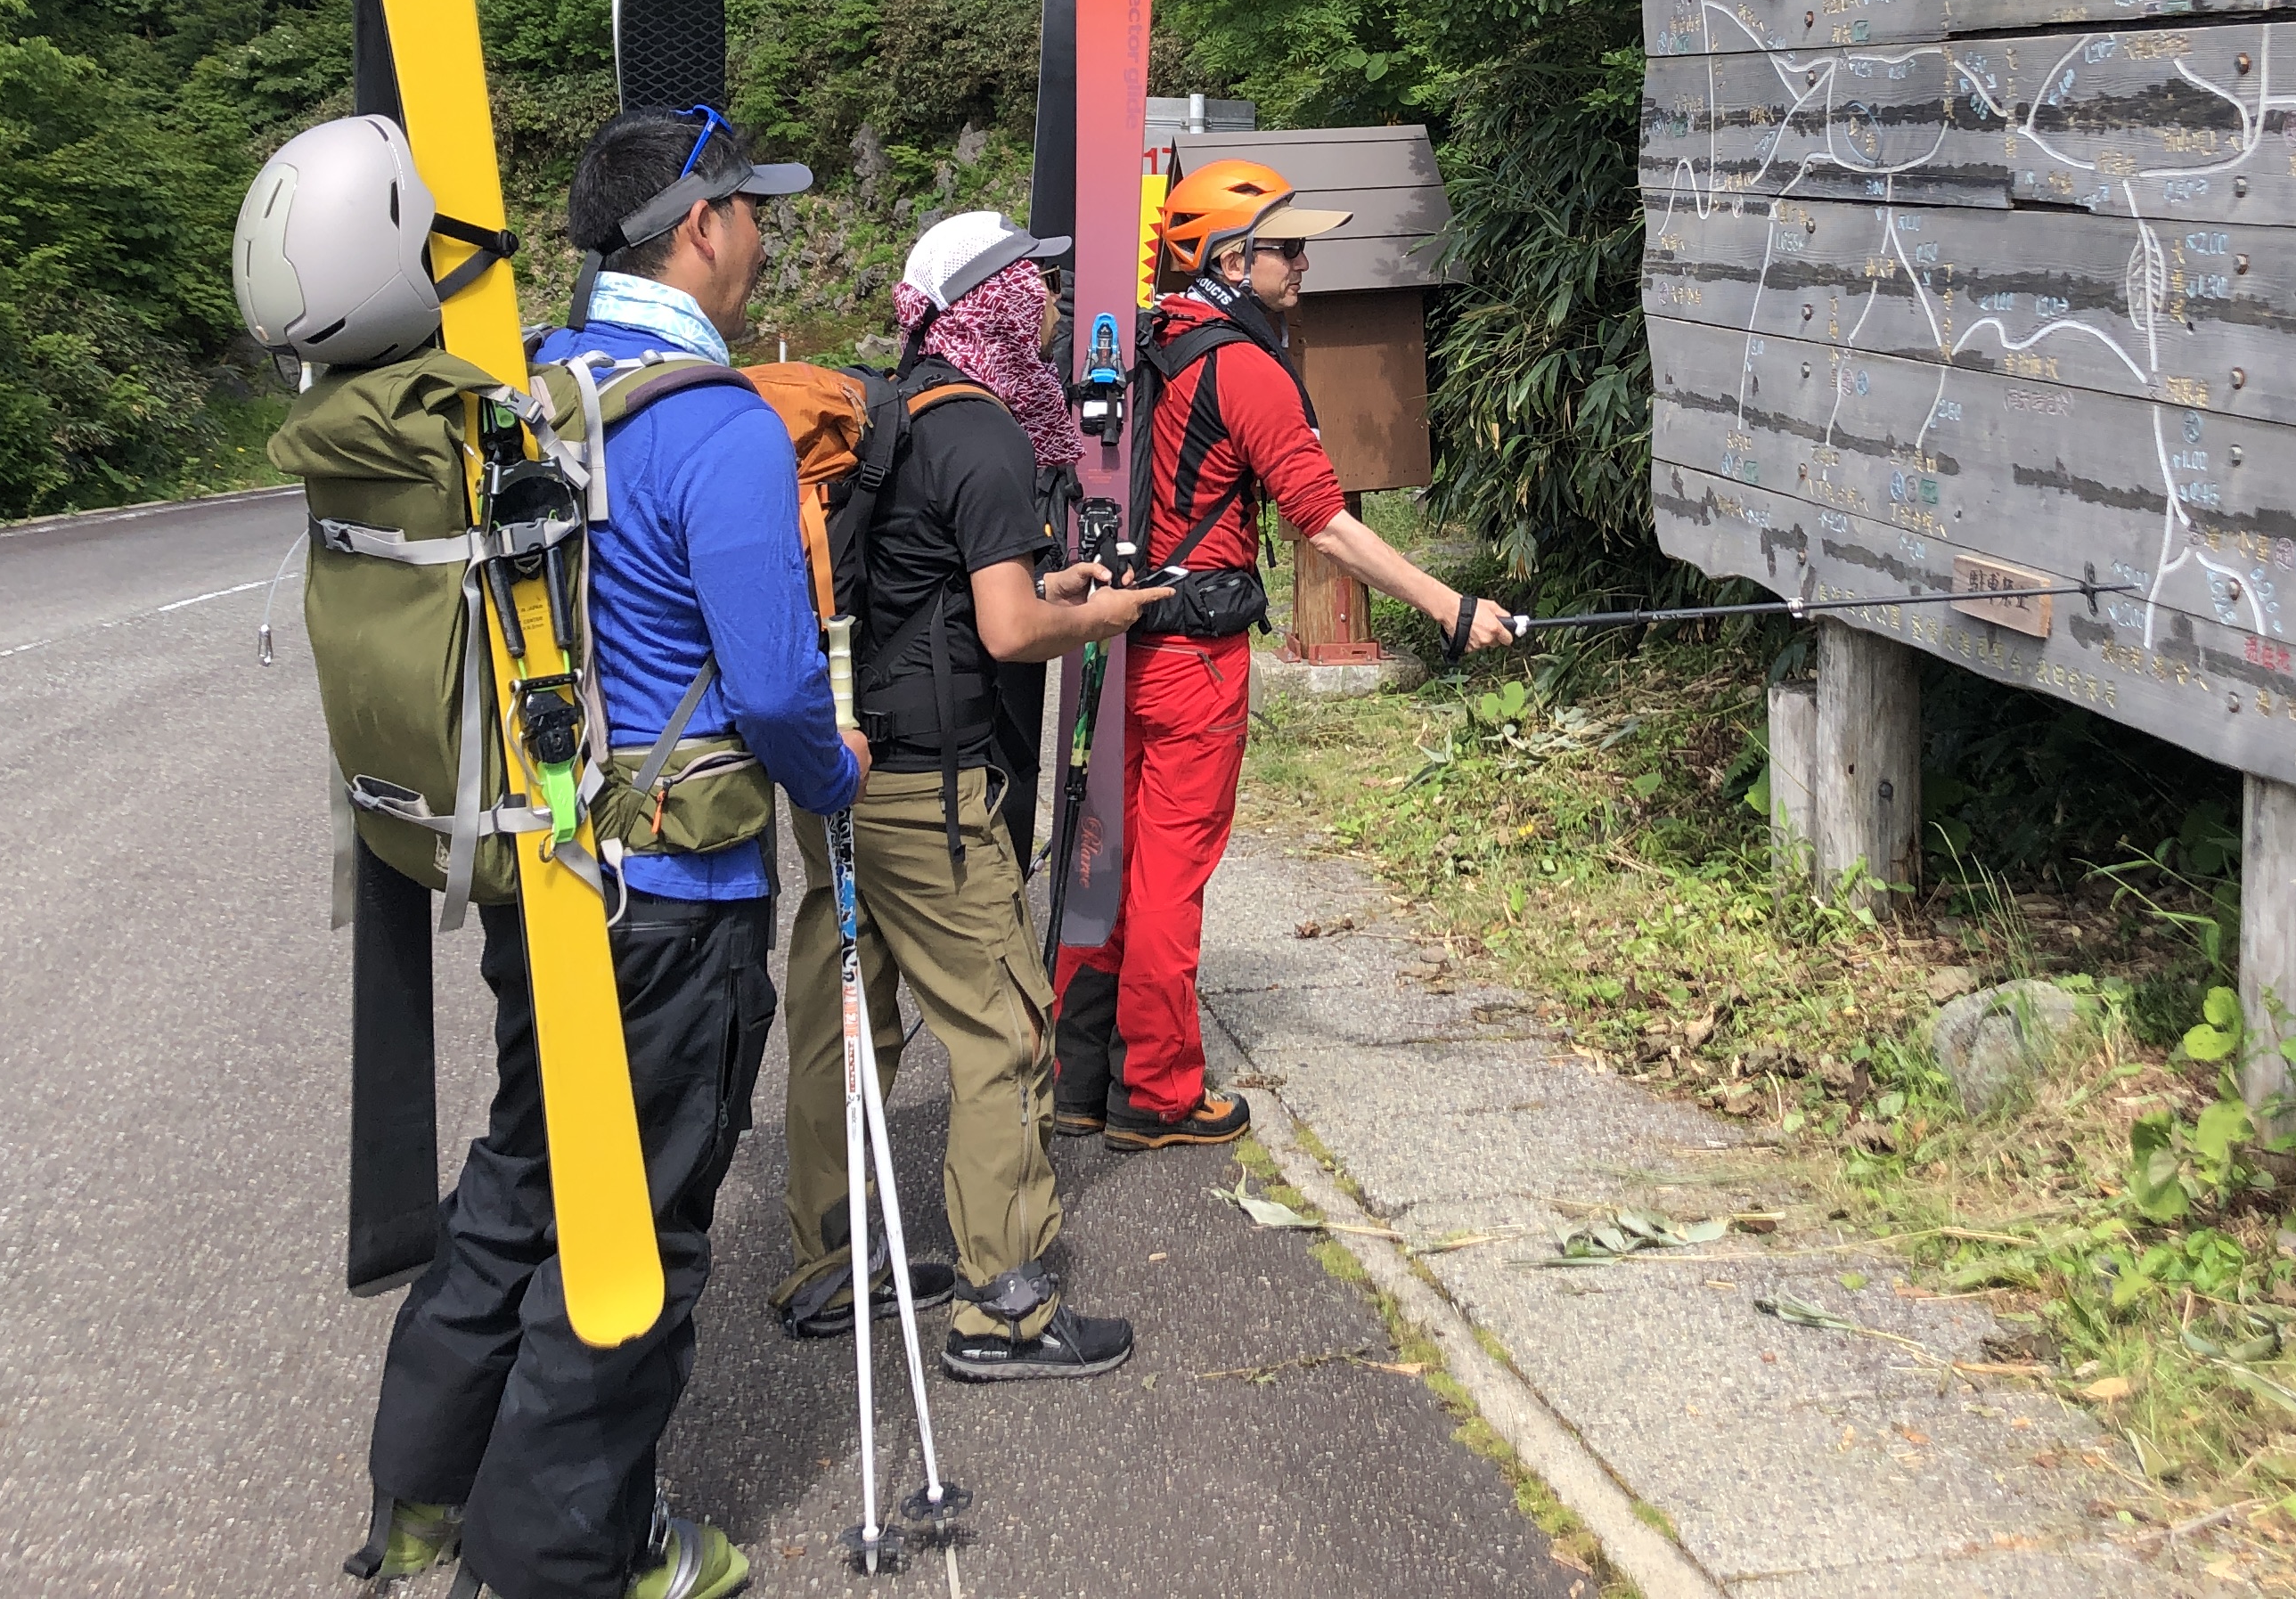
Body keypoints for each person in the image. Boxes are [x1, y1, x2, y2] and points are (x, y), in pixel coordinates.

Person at [352, 106, 856, 1599]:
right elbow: (776, 689)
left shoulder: (534, 389)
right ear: (699, 227)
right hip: (675, 901)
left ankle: (424, 1498)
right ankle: (570, 1556)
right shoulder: (718, 424)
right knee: (630, 1230)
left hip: (549, 871)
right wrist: (837, 768)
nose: (763, 235)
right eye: (752, 209)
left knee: (527, 1171)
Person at [772, 209, 1173, 1379]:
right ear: (992, 304)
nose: (1048, 305)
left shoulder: (887, 416)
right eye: (1032, 286)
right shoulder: (988, 431)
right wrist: (1097, 615)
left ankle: (830, 1265)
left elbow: (926, 586)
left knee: (846, 1025)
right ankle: (1005, 1308)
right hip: (931, 795)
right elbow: (1004, 631)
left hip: (843, 767)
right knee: (1003, 1029)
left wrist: (1049, 585)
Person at [1054, 159, 1514, 1152]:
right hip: (1195, 663)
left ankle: (1078, 1079)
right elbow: (1326, 523)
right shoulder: (1246, 369)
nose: (1305, 264)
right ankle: (1158, 1093)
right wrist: (1450, 604)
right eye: (1288, 247)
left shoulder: (1137, 346)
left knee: (1109, 858)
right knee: (1169, 874)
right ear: (1230, 259)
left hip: (1118, 645)